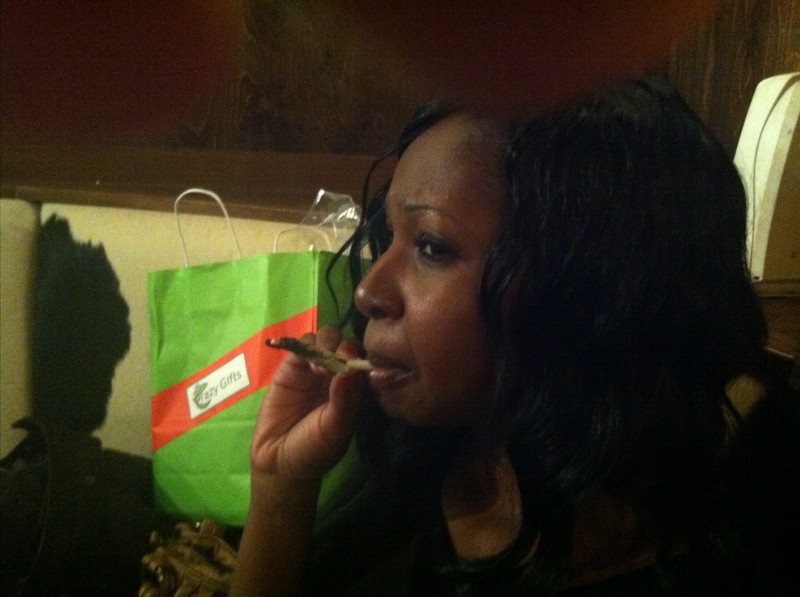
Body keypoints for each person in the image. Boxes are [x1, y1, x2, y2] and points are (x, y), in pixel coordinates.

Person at [230, 77, 799, 596]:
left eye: (431, 246)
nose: (367, 291)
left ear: (587, 286)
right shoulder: (428, 452)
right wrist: (280, 493)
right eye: (387, 236)